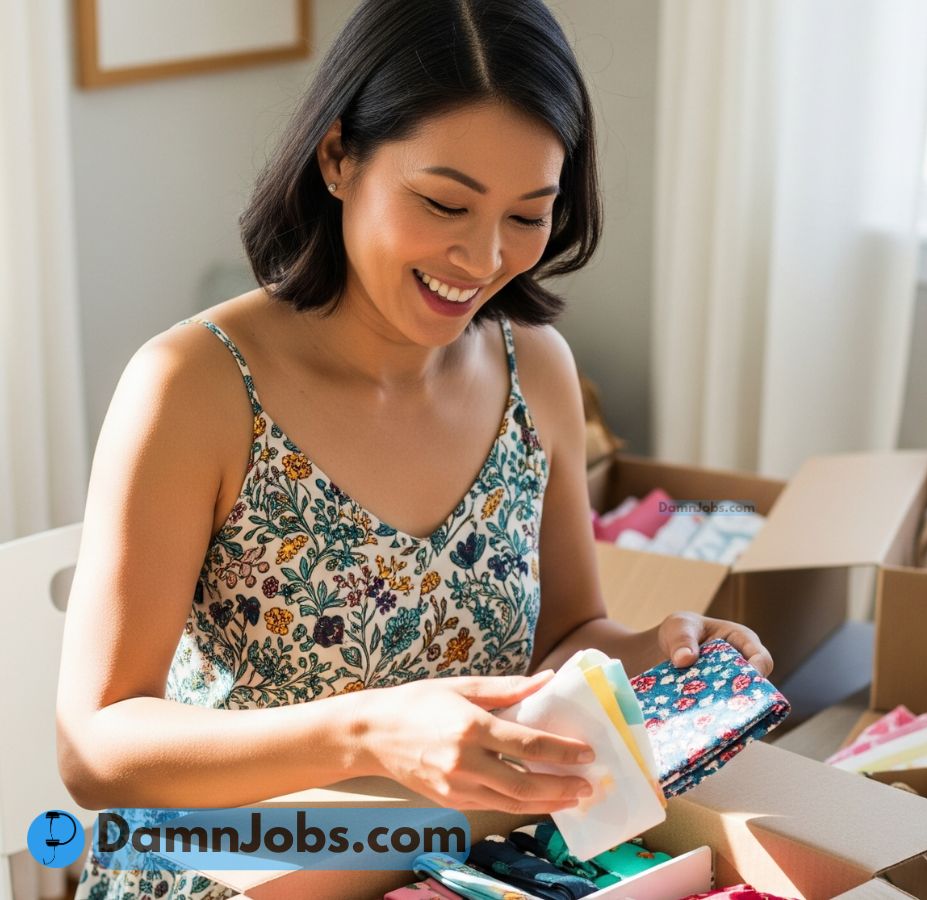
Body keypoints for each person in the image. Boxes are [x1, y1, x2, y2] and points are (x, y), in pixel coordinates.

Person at [57, 1, 772, 897]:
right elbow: (94, 746)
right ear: (337, 157)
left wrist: (658, 652)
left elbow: (565, 641)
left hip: (462, 867)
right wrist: (365, 733)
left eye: (529, 214)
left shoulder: (536, 371)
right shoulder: (194, 385)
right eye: (444, 203)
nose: (482, 256)